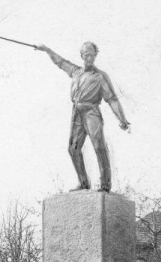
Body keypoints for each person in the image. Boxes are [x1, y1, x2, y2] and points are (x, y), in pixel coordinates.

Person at [36, 41, 130, 192]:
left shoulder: (100, 77)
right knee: (73, 148)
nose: (89, 58)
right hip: (77, 112)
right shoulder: (75, 71)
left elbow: (112, 99)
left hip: (91, 112)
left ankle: (105, 185)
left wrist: (122, 119)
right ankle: (83, 183)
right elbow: (60, 62)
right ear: (82, 56)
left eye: (92, 55)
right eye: (86, 55)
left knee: (99, 146)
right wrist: (46, 50)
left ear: (95, 55)